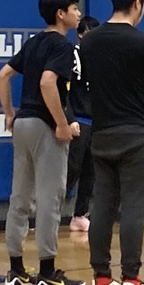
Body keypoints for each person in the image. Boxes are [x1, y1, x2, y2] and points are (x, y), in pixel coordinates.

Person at [81, 0, 144, 285]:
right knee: (133, 206)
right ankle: (131, 279)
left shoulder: (88, 42)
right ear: (138, 3)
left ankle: (101, 279)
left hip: (102, 132)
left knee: (101, 204)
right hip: (137, 134)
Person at [0, 0, 84, 285]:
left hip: (23, 124)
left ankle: (16, 270)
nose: (78, 14)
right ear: (61, 14)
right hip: (45, 127)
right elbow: (49, 82)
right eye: (74, 8)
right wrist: (61, 123)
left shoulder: (33, 42)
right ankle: (48, 273)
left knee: (20, 198)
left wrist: (9, 114)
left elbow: (2, 76)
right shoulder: (63, 45)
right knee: (50, 198)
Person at [65, 15, 100, 233]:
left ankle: (80, 213)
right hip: (78, 120)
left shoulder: (101, 59)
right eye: (88, 32)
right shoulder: (72, 56)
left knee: (91, 170)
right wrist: (69, 119)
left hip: (96, 122)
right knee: (71, 168)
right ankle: (48, 212)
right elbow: (63, 90)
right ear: (80, 33)